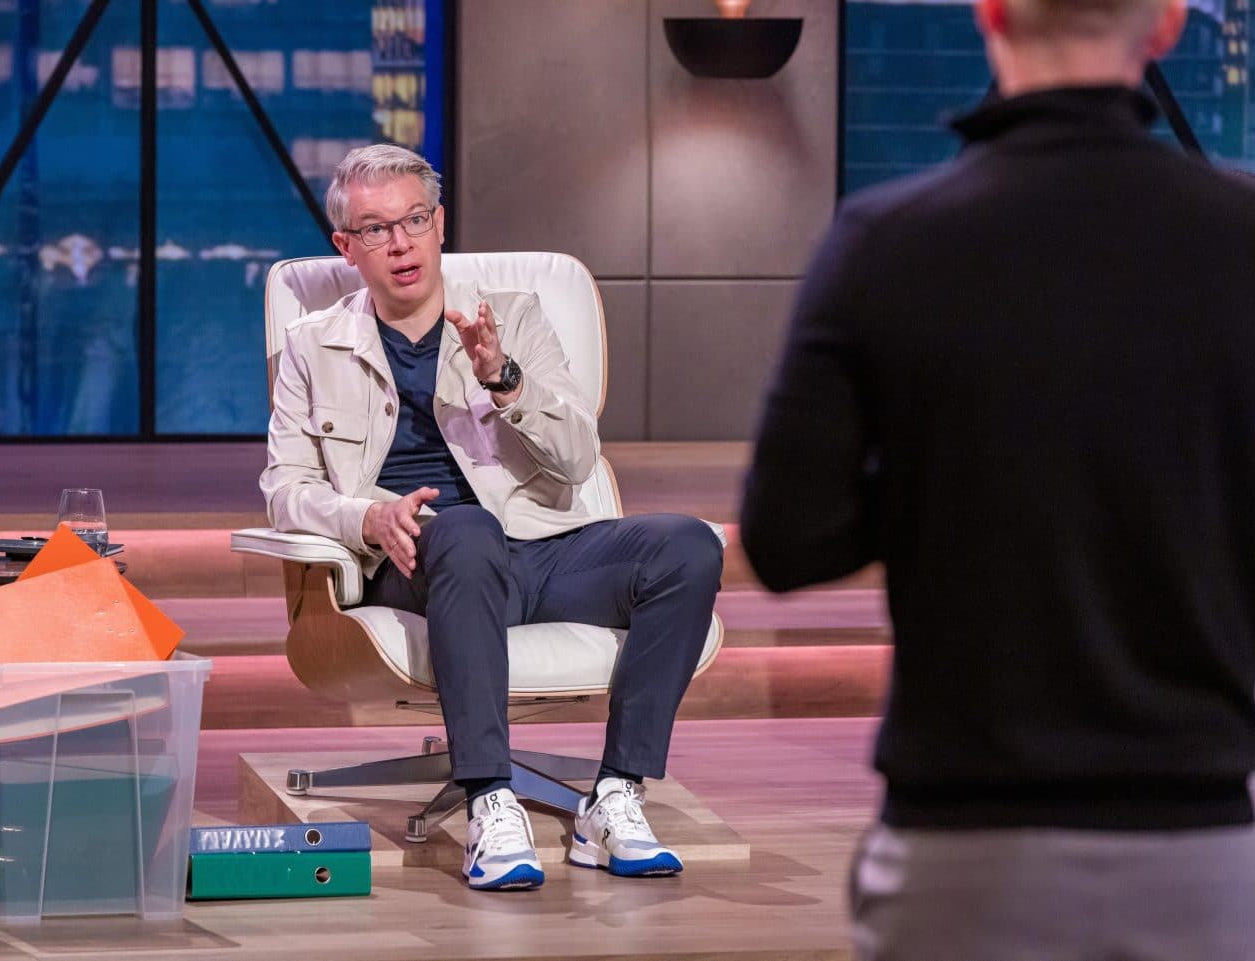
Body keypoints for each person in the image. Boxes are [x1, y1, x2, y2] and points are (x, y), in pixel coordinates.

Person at [740, 0, 1255, 957]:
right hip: (1204, 843)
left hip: (962, 848)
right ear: (1166, 26)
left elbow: (786, 537)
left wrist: (949, 467)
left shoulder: (887, 240)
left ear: (989, 14)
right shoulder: (1241, 237)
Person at [261, 144, 723, 892]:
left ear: (440, 224)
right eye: (376, 229)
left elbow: (578, 459)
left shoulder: (512, 318)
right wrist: (367, 517)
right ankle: (490, 800)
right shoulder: (314, 345)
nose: (401, 243)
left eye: (415, 219)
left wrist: (505, 381)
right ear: (346, 246)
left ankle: (616, 794)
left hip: (540, 549)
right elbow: (286, 486)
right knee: (468, 529)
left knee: (688, 545)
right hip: (418, 559)